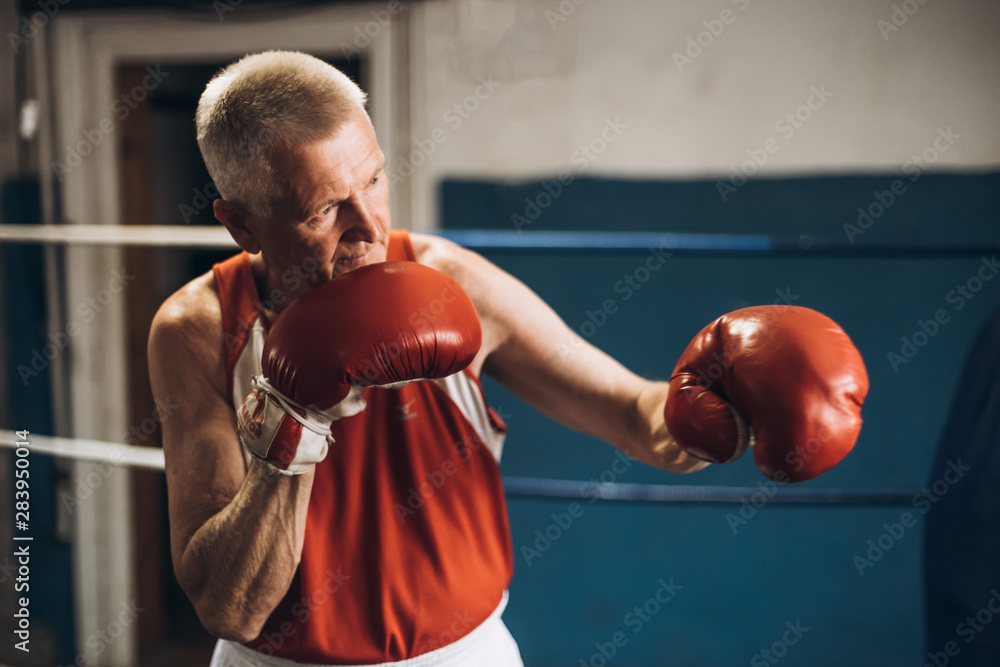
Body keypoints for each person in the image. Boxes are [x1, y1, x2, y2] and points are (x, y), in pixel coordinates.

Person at [147, 51, 866, 666]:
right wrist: (291, 427)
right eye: (323, 209)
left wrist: (723, 403)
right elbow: (227, 605)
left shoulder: (454, 284)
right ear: (242, 222)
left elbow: (632, 413)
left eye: (372, 180)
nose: (369, 225)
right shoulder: (199, 330)